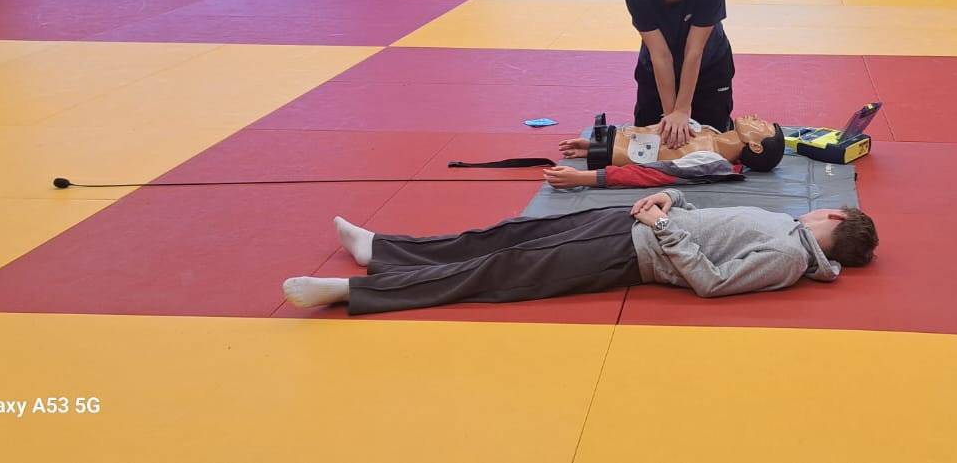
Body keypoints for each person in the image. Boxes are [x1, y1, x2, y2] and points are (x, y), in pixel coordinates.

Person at [281, 189, 878, 316]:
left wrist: (663, 226)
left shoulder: (789, 257)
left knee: (501, 270)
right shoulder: (784, 227)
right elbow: (712, 225)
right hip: (632, 224)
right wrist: (671, 200)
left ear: (835, 219)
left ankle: (357, 292)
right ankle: (381, 250)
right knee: (505, 236)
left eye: (824, 209)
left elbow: (713, 281)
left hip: (630, 251)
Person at [625, 0, 735, 150]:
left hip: (708, 66)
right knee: (650, 143)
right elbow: (660, 54)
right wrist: (671, 116)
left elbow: (694, 51)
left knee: (713, 142)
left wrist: (683, 110)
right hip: (657, 68)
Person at [543, 113, 784, 189]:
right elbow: (654, 137)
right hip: (612, 144)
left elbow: (652, 174)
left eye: (762, 126)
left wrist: (582, 178)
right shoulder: (712, 132)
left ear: (756, 146)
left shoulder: (711, 161)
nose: (757, 118)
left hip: (610, 157)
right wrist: (595, 145)